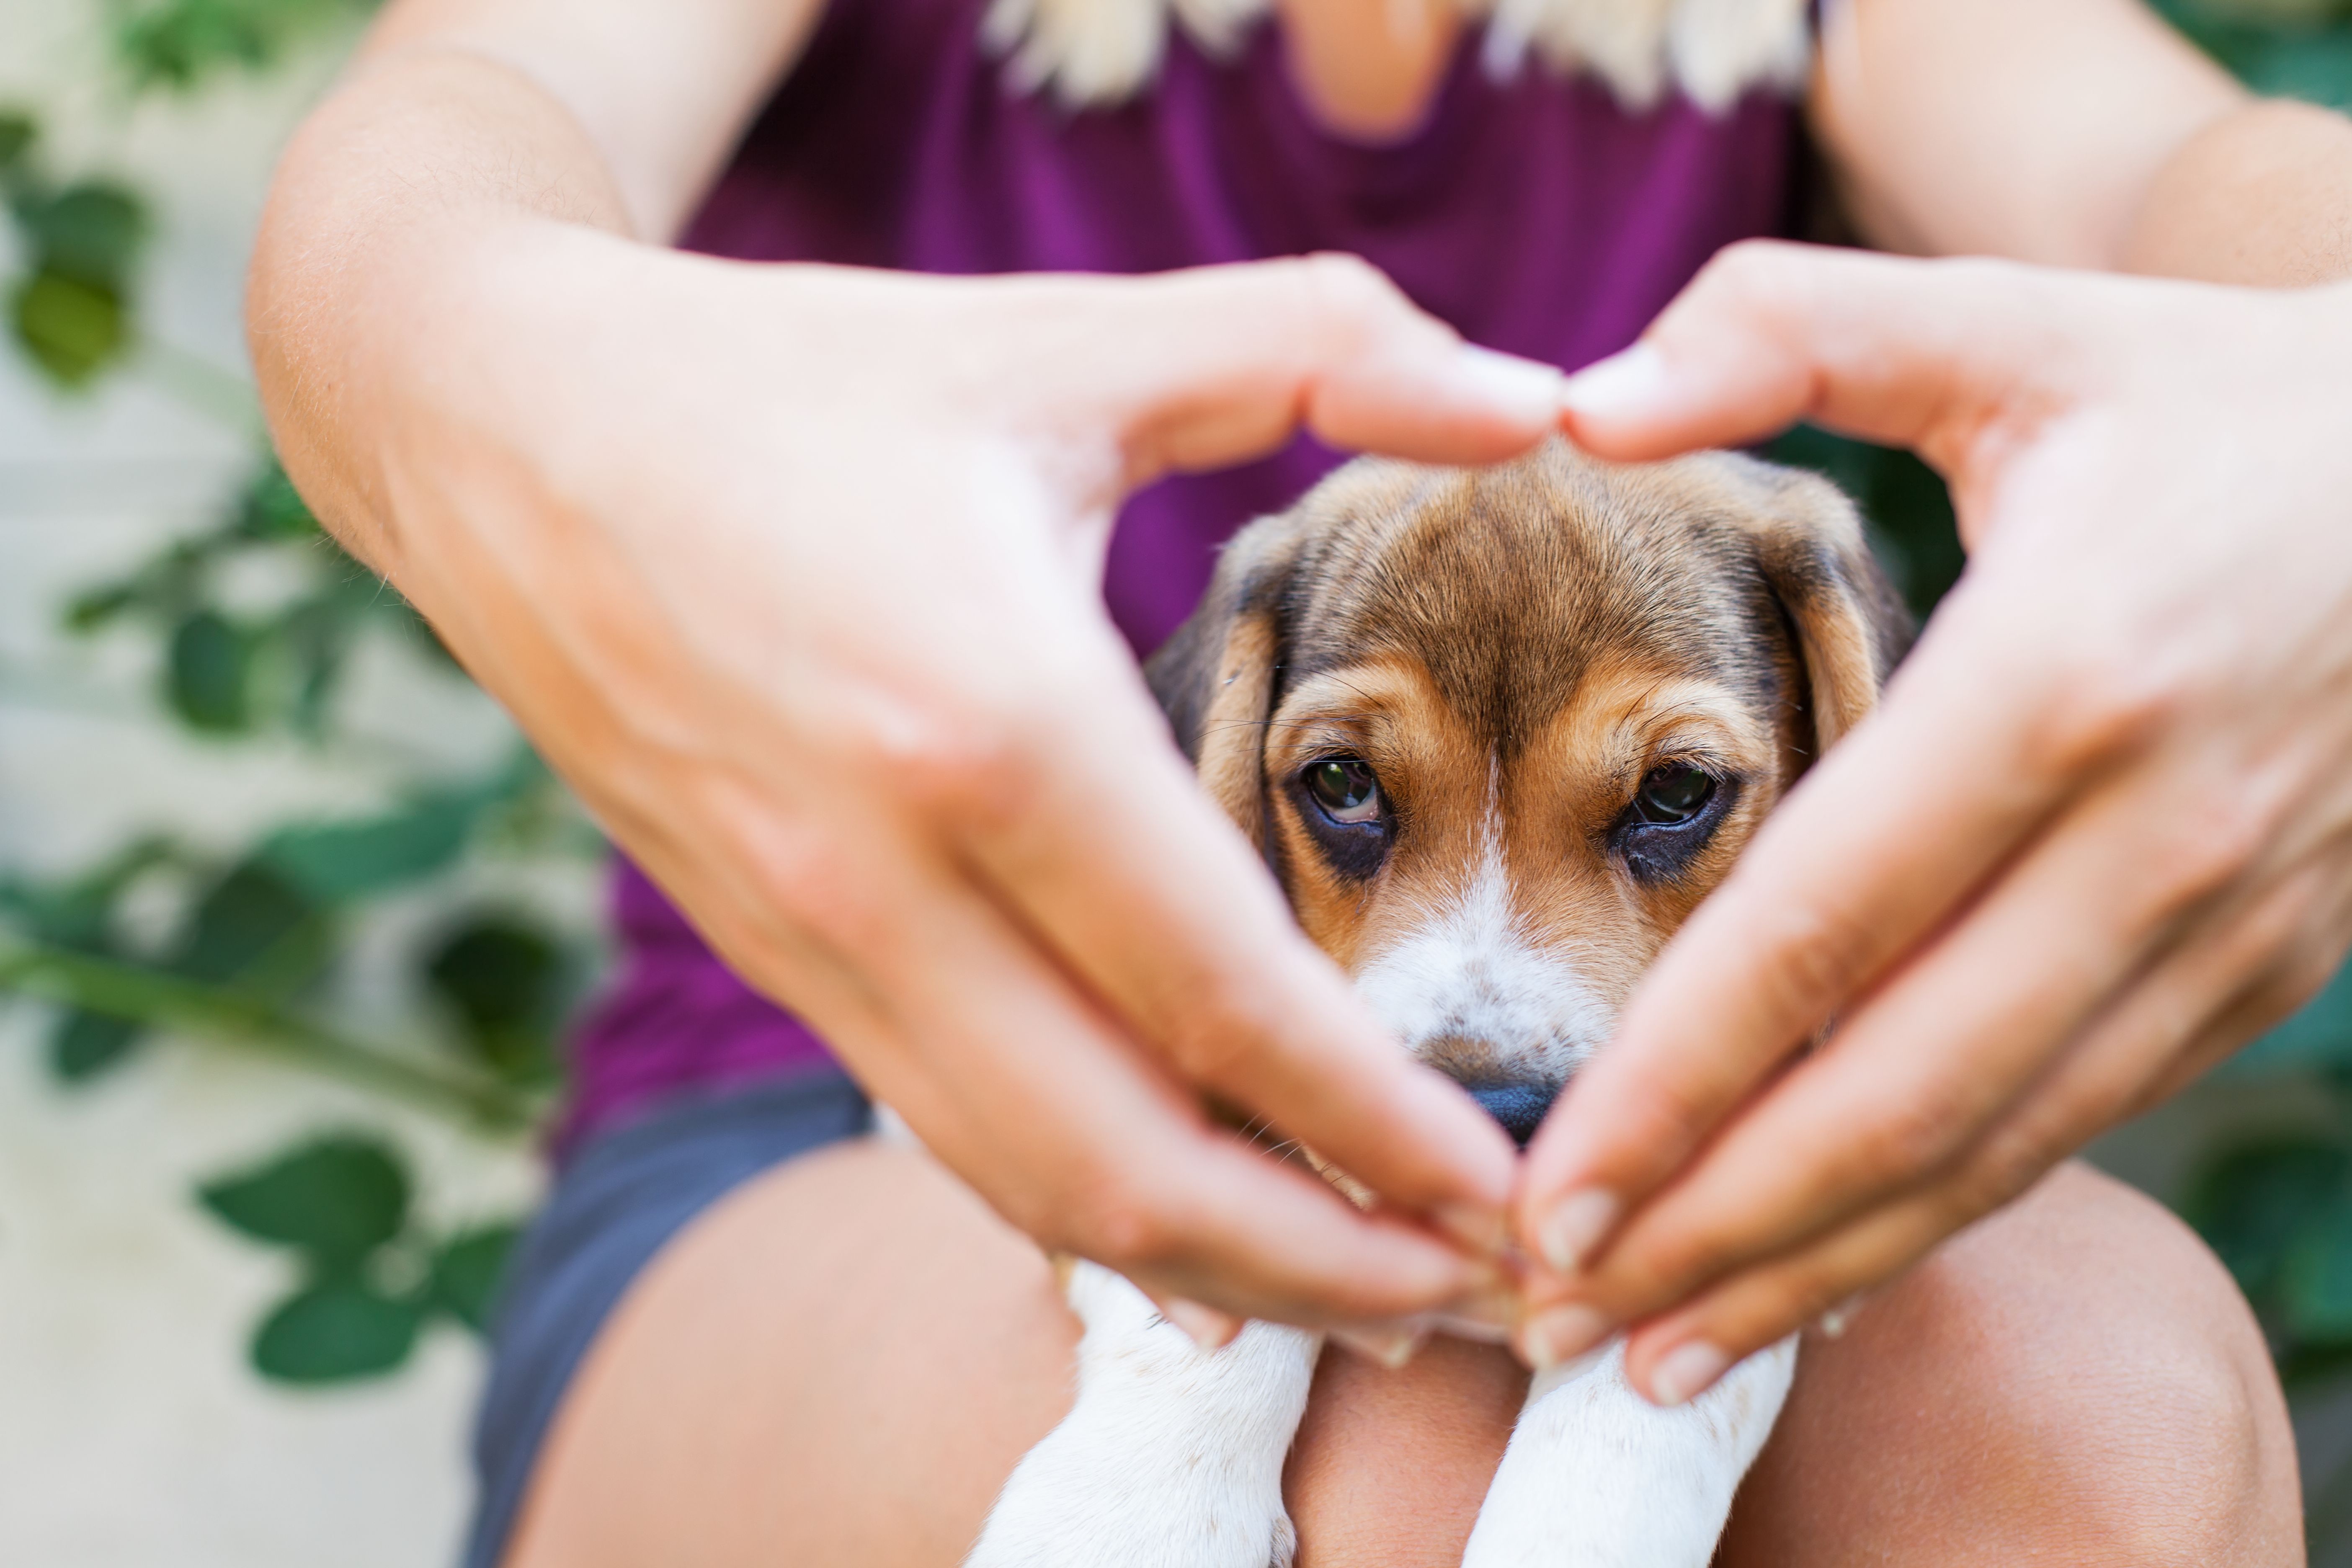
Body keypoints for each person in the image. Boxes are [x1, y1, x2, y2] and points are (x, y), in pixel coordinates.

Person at [243, 0, 2352, 1561]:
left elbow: (2189, 176)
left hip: (1657, 1104)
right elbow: (452, 136)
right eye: (1341, 791)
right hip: (819, 1093)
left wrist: (2321, 405)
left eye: (1676, 799)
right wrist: (494, 370)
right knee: (1418, 1473)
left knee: (2103, 1421)